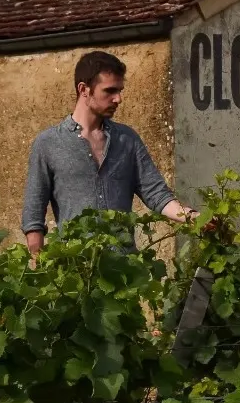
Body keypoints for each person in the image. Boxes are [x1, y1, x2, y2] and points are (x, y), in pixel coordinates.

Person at [21, 50, 197, 258]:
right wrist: (39, 262)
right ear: (84, 89)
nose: (118, 99)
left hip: (123, 269)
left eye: (120, 90)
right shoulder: (49, 143)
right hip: (73, 268)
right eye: (110, 91)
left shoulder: (127, 139)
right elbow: (34, 213)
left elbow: (156, 194)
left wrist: (194, 217)